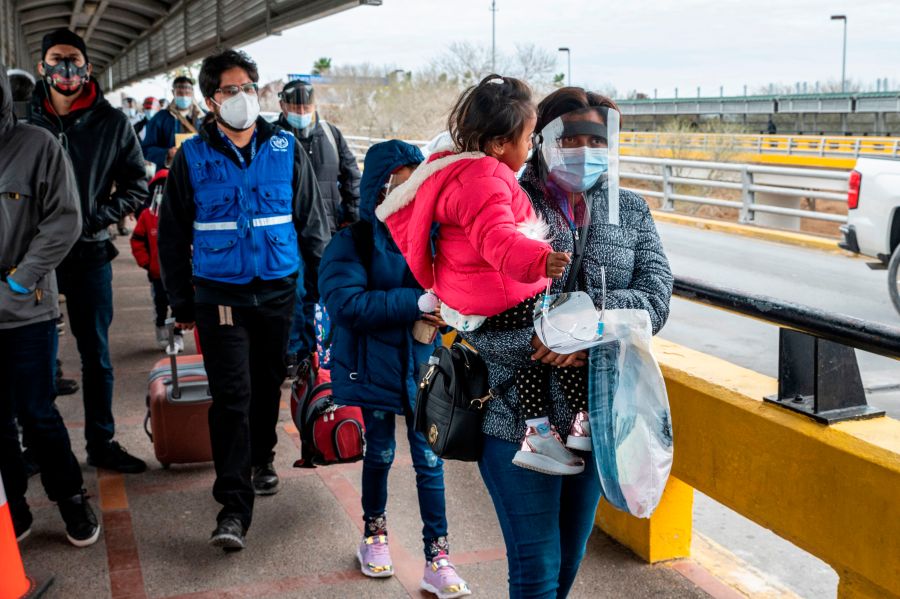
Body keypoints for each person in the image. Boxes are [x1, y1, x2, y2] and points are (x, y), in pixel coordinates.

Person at [462, 87, 673, 597]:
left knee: (568, 564)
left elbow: (656, 299)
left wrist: (586, 333)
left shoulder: (632, 211)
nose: (583, 149)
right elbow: (475, 307)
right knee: (536, 566)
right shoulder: (505, 204)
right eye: (570, 138)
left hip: (598, 418)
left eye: (594, 139)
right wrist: (544, 339)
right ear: (539, 140)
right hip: (515, 418)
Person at [158, 48, 330, 551]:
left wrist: (320, 292)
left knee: (264, 385)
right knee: (231, 396)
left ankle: (262, 459)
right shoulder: (192, 156)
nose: (242, 98)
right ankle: (233, 507)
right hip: (220, 297)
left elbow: (311, 224)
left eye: (248, 88)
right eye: (230, 90)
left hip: (280, 293)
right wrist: (181, 301)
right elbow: (172, 236)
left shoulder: (285, 148)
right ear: (212, 100)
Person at [377, 75, 583, 476]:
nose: (531, 149)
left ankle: (548, 431)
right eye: (527, 139)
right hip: (500, 294)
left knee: (534, 358)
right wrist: (540, 260)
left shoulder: (457, 171)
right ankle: (560, 428)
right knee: (555, 346)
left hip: (476, 294)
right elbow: (498, 240)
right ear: (498, 144)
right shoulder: (484, 179)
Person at [319, 140, 471, 597]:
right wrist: (418, 302)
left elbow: (459, 289)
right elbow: (345, 304)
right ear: (378, 189)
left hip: (425, 370)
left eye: (417, 188)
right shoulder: (354, 240)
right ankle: (374, 537)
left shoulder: (435, 237)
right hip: (375, 369)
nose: (410, 198)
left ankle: (438, 558)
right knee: (380, 453)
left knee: (430, 460)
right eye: (400, 188)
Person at [29, 28, 149, 474]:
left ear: (88, 67)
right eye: (57, 60)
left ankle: (101, 442)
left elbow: (137, 184)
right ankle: (38, 447)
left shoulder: (112, 122)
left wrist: (95, 217)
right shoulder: (26, 122)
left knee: (95, 353)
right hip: (34, 255)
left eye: (74, 60)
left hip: (89, 252)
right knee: (35, 354)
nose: (66, 70)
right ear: (42, 67)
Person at [0, 63, 101, 548]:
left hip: (26, 310)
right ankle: (13, 507)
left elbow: (64, 220)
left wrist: (20, 281)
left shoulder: (36, 145)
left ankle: (71, 499)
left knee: (37, 412)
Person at [279, 80, 361, 367]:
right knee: (296, 291)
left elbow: (351, 174)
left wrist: (353, 214)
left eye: (306, 106)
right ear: (283, 106)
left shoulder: (330, 134)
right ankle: (298, 351)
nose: (301, 111)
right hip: (287, 233)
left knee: (325, 290)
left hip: (328, 229)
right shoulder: (275, 139)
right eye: (295, 106)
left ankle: (323, 350)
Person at [130, 170, 183, 351]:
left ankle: (176, 336)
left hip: (179, 272)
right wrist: (146, 262)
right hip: (156, 273)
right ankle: (162, 331)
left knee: (178, 304)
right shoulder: (146, 216)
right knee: (160, 304)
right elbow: (137, 240)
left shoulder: (182, 213)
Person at [142, 76, 204, 170]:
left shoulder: (204, 118)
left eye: (187, 93)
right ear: (173, 92)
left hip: (201, 172)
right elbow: (146, 149)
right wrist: (167, 153)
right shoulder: (160, 118)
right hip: (170, 174)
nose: (184, 96)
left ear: (192, 93)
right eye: (180, 93)